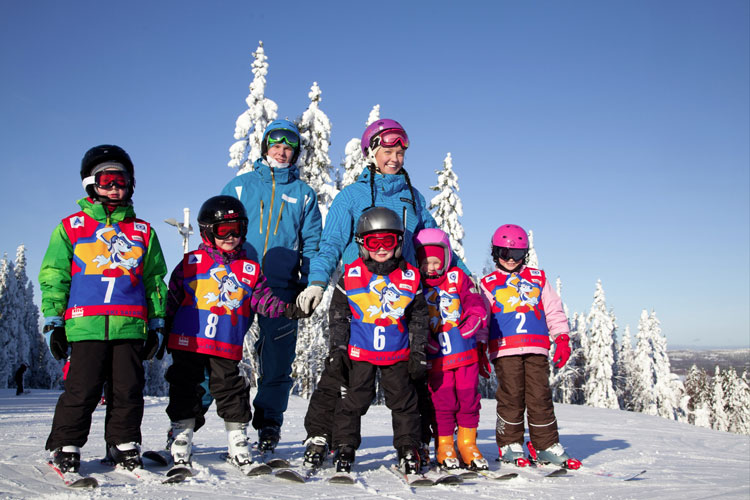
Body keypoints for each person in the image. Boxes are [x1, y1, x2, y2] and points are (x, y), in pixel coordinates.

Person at [298, 119, 469, 466]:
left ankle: (418, 442)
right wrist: (317, 281)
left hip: (401, 296)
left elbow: (435, 242)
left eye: (399, 151)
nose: (394, 158)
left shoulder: (413, 197)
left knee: (412, 371)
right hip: (359, 293)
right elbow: (331, 242)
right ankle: (320, 434)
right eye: (387, 151)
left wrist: (467, 278)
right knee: (341, 370)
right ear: (371, 154)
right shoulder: (352, 196)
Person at [39, 145, 168, 473]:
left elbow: (154, 281)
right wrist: (54, 321)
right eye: (106, 179)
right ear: (90, 183)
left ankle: (123, 443)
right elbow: (55, 274)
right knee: (82, 388)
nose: (114, 186)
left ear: (131, 184)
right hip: (85, 325)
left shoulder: (143, 233)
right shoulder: (72, 227)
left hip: (129, 325)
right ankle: (66, 444)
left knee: (128, 389)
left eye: (120, 179)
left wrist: (157, 323)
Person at [164, 195, 305, 472]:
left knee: (232, 391)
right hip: (189, 342)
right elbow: (173, 298)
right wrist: (163, 329)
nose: (231, 236)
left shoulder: (249, 269)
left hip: (224, 345)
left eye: (237, 229)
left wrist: (287, 309)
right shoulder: (191, 263)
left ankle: (237, 438)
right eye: (222, 230)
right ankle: (180, 435)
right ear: (207, 231)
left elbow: (262, 299)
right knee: (186, 388)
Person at [220, 119, 322, 452]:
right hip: (235, 282)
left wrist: (308, 285)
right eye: (276, 146)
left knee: (277, 360)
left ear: (295, 154)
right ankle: (187, 424)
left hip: (280, 288)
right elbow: (216, 229)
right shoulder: (240, 186)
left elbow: (312, 242)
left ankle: (268, 426)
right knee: (216, 353)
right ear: (265, 148)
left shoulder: (304, 194)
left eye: (288, 148)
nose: (281, 152)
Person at [327, 207, 429, 474]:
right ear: (363, 244)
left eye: (389, 242)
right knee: (353, 401)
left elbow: (419, 317)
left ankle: (408, 447)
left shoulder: (409, 277)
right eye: (374, 242)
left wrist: (418, 352)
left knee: (404, 403)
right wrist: (338, 350)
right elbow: (338, 315)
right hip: (361, 354)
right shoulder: (351, 275)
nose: (382, 249)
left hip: (396, 354)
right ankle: (345, 446)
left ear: (398, 243)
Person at [478, 224, 580, 469]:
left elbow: (553, 310)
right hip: (505, 349)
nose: (511, 260)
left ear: (525, 254)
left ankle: (545, 445)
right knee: (511, 396)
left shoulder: (538, 279)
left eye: (517, 255)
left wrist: (562, 337)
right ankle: (510, 444)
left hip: (536, 348)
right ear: (495, 253)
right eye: (505, 254)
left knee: (540, 397)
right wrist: (480, 346)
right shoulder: (488, 283)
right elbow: (482, 318)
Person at [414, 228, 490, 471]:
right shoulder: (416, 286)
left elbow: (472, 298)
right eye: (426, 263)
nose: (431, 268)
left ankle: (468, 443)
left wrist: (475, 316)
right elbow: (412, 318)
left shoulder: (457, 277)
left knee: (468, 399)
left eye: (436, 262)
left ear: (446, 259)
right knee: (443, 402)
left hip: (465, 354)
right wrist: (426, 338)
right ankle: (445, 443)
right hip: (439, 360)